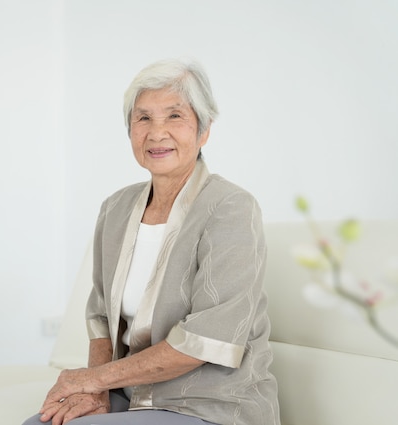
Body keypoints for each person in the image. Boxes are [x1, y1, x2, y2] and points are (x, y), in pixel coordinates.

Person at [22, 58, 280, 425]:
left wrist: (93, 379)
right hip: (131, 397)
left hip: (210, 406)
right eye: (143, 118)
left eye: (175, 116)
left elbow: (208, 339)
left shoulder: (231, 208)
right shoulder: (116, 208)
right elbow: (100, 317)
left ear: (204, 130)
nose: (157, 133)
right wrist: (95, 393)